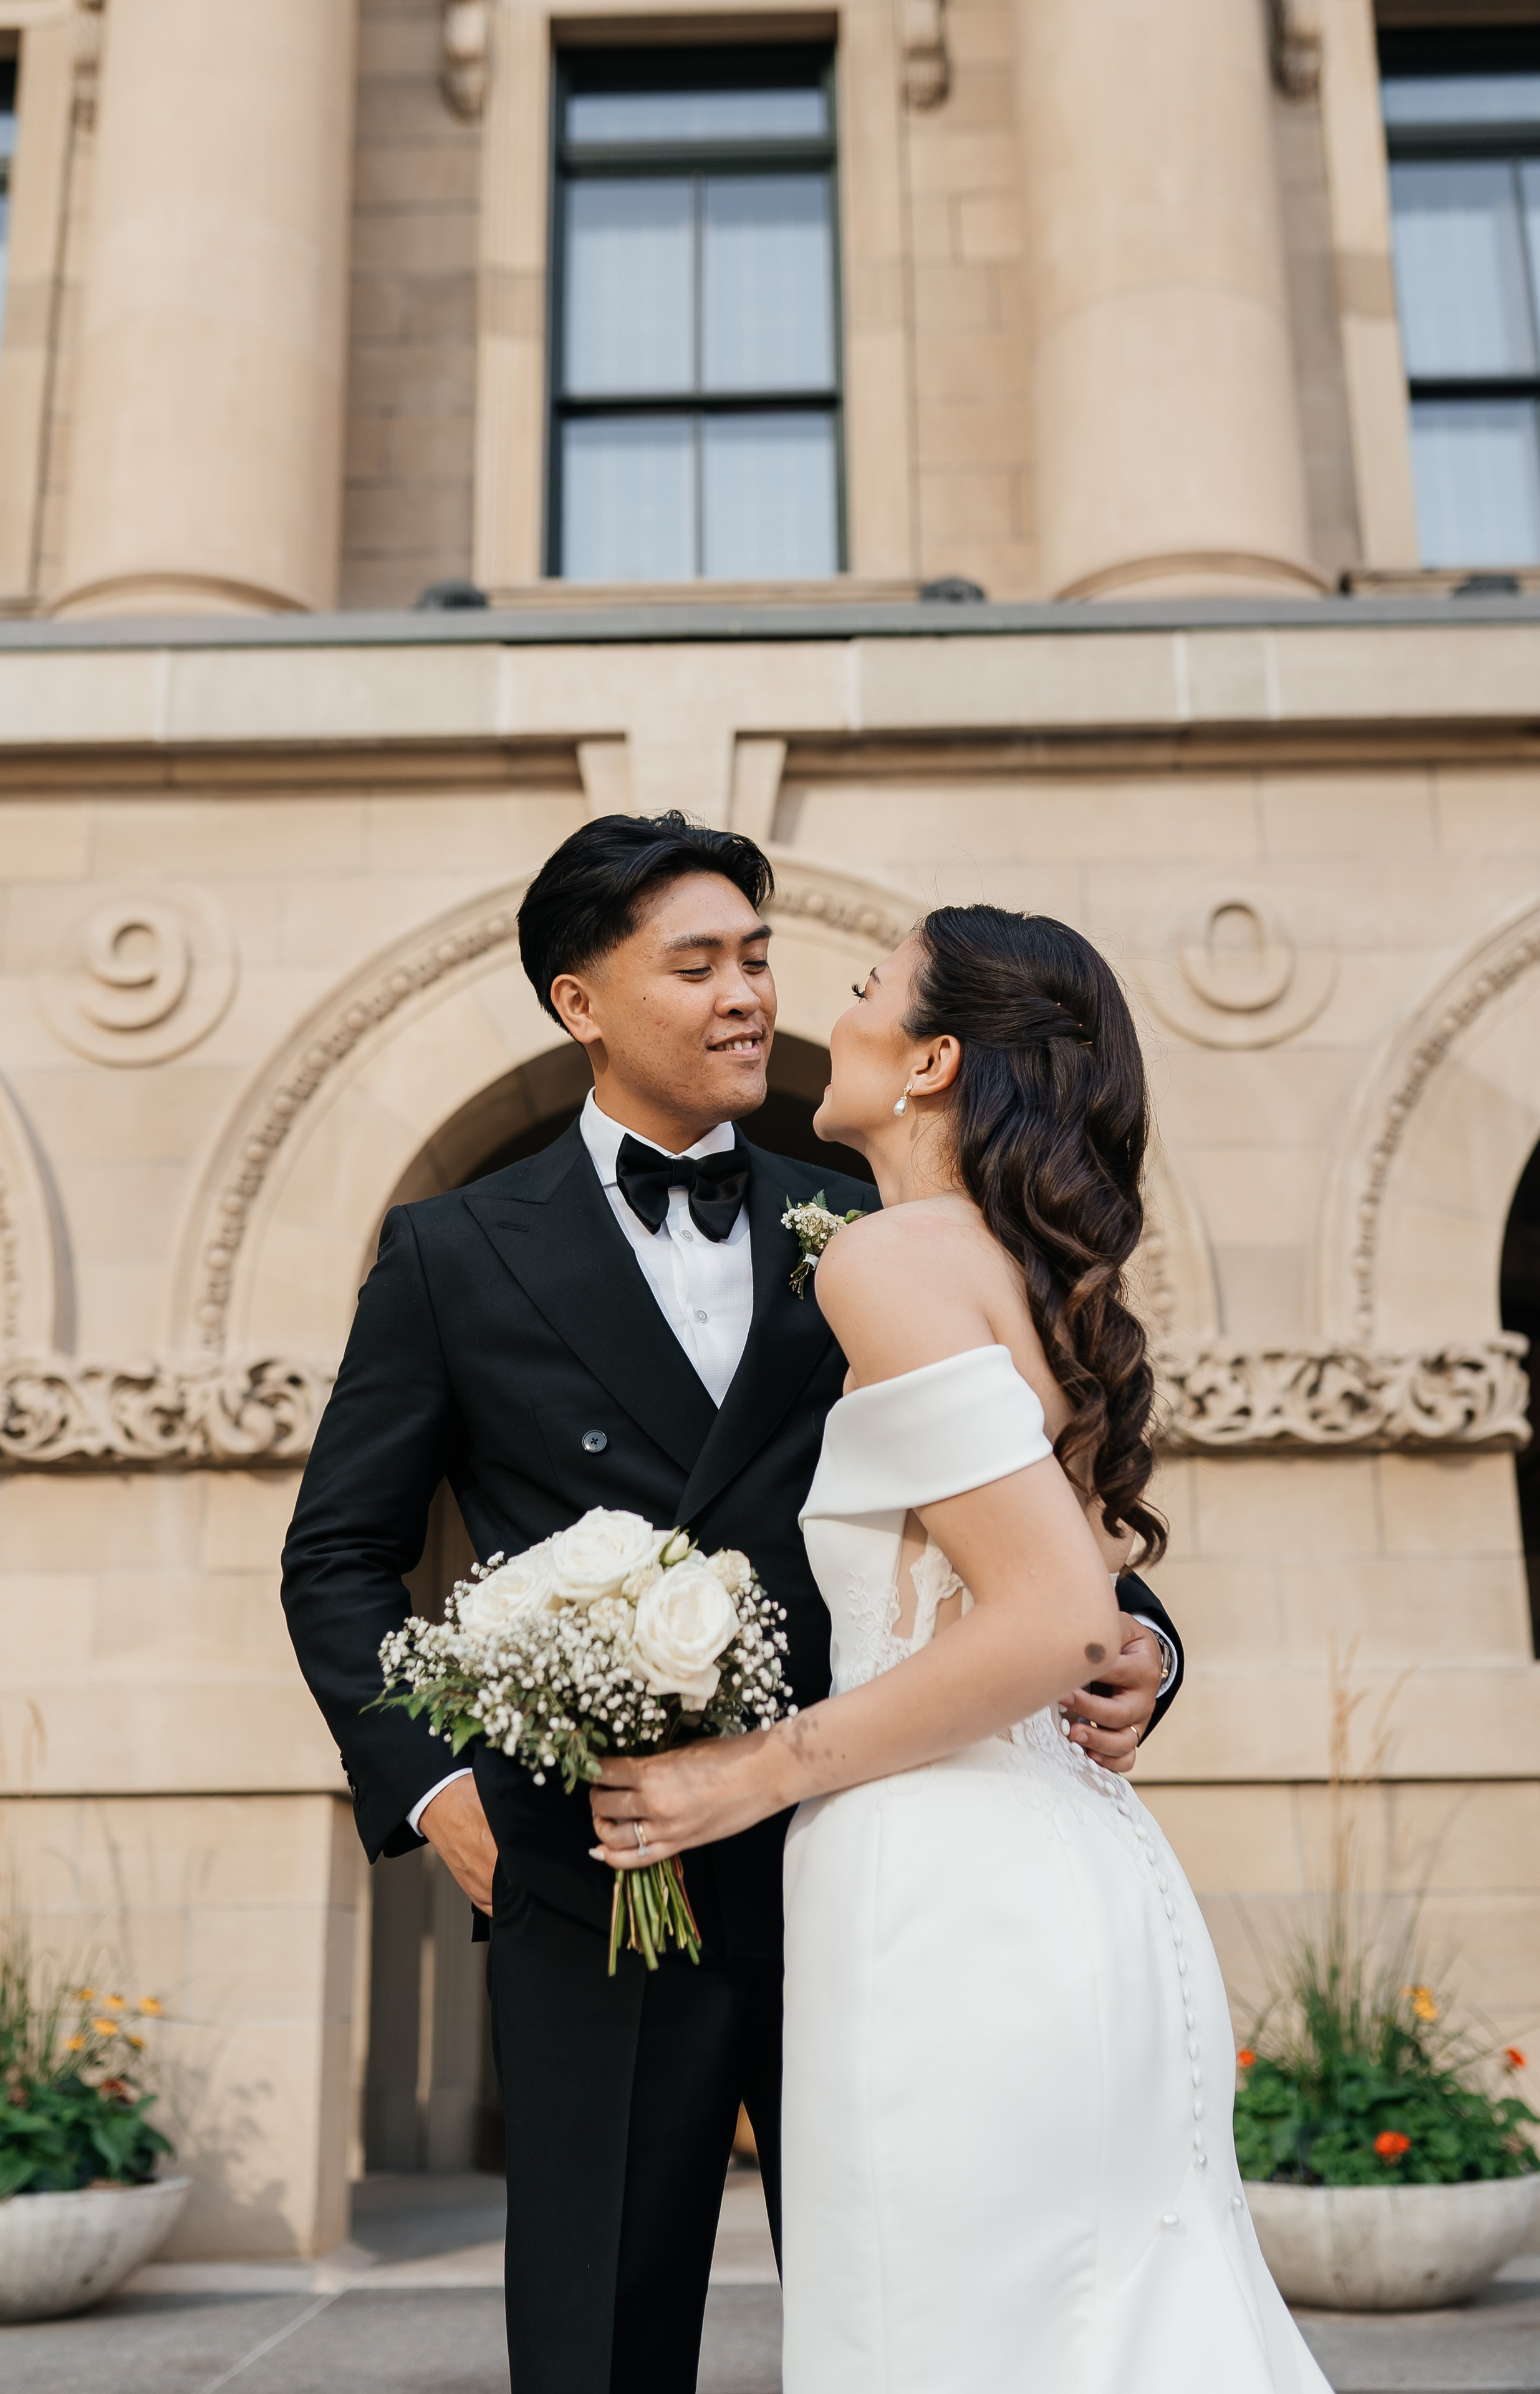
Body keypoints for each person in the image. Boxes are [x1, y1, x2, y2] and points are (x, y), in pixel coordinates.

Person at [281, 826, 1184, 2394]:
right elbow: (338, 1558)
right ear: (579, 1002)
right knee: (599, 2345)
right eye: (694, 965)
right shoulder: (450, 1253)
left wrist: (1146, 1645)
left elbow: (1018, 1501)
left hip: (871, 1857)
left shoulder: (866, 1222)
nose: (750, 995)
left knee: (915, 2312)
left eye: (756, 956)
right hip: (593, 1867)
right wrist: (436, 1796)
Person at [590, 904, 1327, 2393]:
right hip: (1076, 1859)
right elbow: (1083, 1606)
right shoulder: (1014, 1270)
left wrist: (749, 1774)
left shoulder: (891, 1260)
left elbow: (1053, 1617)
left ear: (929, 1059)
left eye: (864, 988)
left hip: (945, 1891)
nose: (823, 1005)